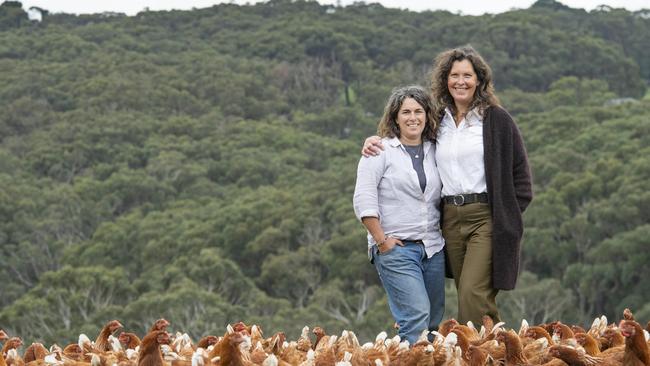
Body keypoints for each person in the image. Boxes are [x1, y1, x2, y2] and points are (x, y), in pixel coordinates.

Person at [362, 46, 533, 325]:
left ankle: (477, 353)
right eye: (454, 75)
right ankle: (494, 351)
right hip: (449, 220)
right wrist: (373, 140)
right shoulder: (438, 121)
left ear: (479, 80)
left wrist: (506, 215)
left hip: (486, 217)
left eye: (467, 75)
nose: (460, 81)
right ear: (445, 80)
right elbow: (407, 134)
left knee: (472, 294)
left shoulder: (496, 120)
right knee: (472, 296)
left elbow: (522, 182)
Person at [353, 85, 445, 344]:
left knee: (433, 322)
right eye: (405, 112)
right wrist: (382, 241)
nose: (412, 117)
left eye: (418, 111)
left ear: (427, 115)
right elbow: (363, 199)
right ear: (395, 117)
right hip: (396, 248)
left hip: (433, 249)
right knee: (416, 317)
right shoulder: (379, 151)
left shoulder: (435, 149)